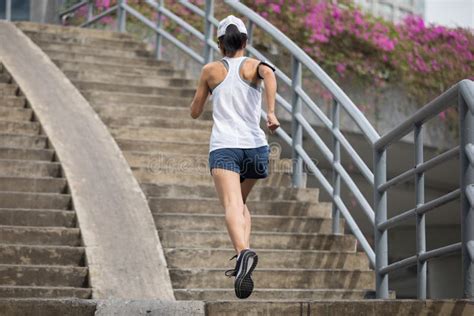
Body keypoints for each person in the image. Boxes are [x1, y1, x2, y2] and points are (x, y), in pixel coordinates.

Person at [189, 15, 280, 299]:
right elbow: (270, 74)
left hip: (225, 147)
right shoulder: (254, 65)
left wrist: (206, 92)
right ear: (245, 41)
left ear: (220, 43)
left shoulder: (210, 70)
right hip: (255, 148)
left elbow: (194, 112)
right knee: (240, 204)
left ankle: (243, 253)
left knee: (231, 203)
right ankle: (245, 252)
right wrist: (271, 111)